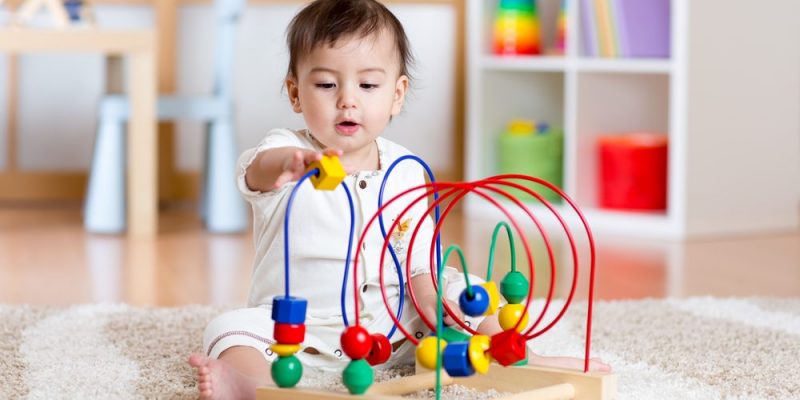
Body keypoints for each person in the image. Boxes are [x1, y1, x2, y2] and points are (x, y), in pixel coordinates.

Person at [188, 1, 609, 398]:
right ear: (296, 93)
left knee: (473, 293)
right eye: (326, 84)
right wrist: (293, 164)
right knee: (229, 330)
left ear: (397, 95)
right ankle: (251, 386)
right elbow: (258, 170)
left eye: (368, 84)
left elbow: (420, 256)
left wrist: (428, 299)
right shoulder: (284, 151)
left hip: (397, 328)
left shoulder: (406, 170)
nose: (347, 99)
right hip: (300, 331)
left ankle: (525, 360)